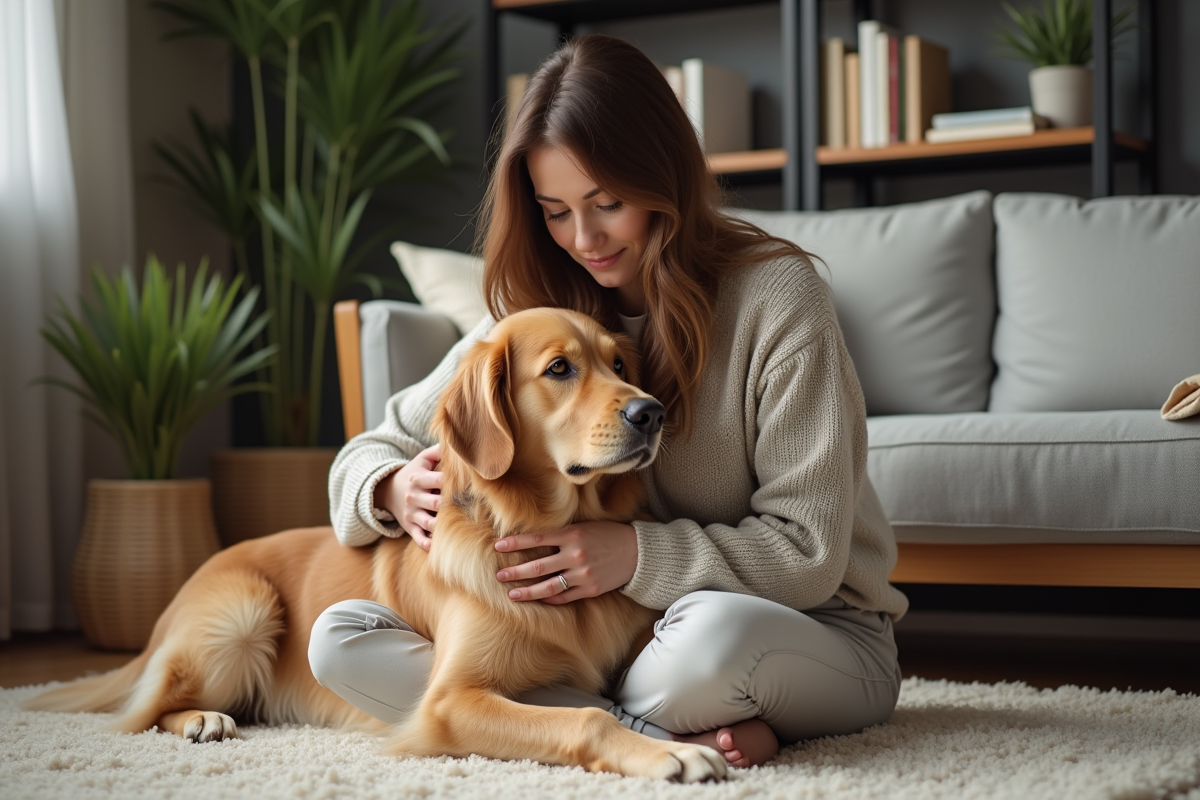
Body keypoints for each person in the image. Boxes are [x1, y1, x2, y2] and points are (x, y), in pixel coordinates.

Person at [311, 33, 909, 768]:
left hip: (803, 626)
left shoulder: (779, 299)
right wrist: (391, 486)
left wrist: (634, 554)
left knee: (701, 650)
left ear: (666, 182)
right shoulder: (546, 315)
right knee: (342, 642)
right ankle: (663, 739)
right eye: (556, 211)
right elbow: (369, 450)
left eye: (608, 203)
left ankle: (610, 720)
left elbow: (811, 555)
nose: (584, 238)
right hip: (633, 637)